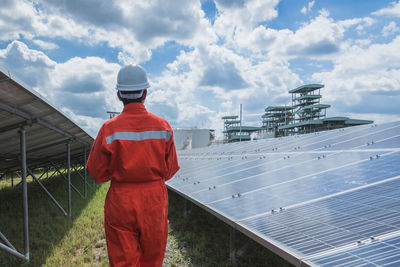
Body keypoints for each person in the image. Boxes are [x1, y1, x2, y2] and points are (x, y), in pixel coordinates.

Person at [87, 64, 180, 267]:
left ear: (119, 96)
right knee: (152, 256)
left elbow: (96, 172)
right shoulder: (163, 127)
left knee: (123, 259)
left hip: (121, 199)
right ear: (145, 93)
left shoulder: (108, 129)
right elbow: (170, 169)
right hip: (154, 198)